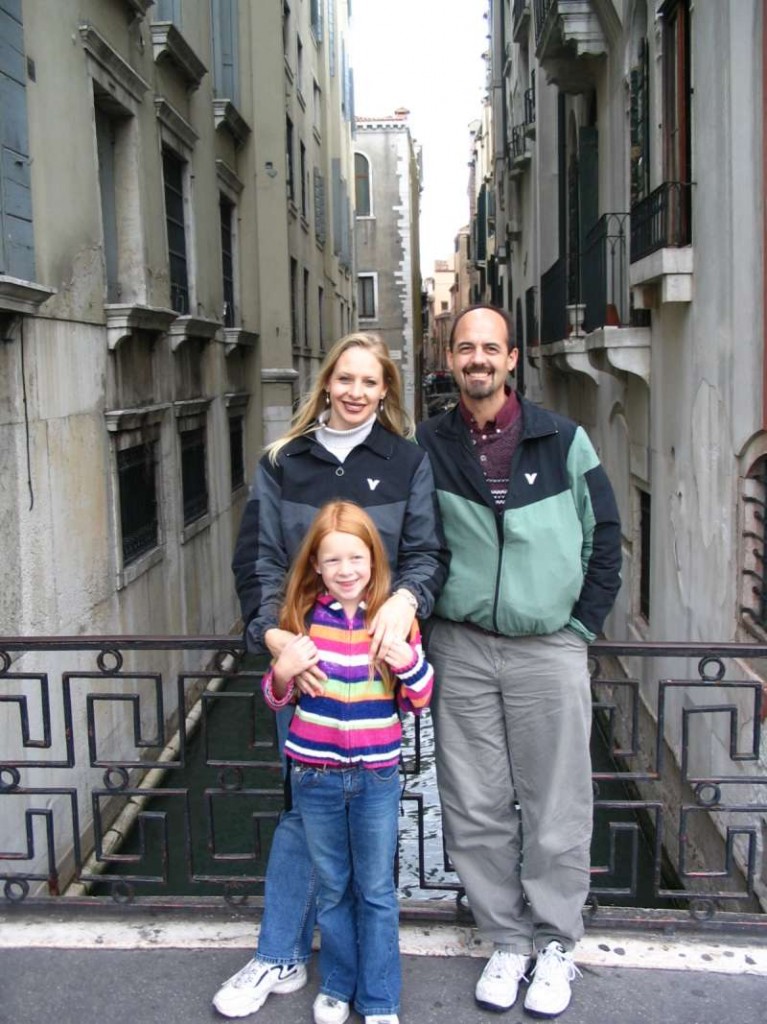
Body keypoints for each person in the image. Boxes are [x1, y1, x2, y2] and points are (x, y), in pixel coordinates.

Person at [213, 333, 448, 1020]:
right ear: (326, 383)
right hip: (306, 667)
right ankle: (278, 953)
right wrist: (275, 636)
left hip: (375, 671)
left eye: (368, 383)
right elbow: (256, 562)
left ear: (385, 392)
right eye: (343, 379)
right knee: (298, 812)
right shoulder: (283, 462)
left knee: (367, 847)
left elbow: (428, 555)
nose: (354, 392)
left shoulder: (406, 461)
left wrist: (404, 602)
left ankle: (354, 982)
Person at [416, 304, 622, 1019]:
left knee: (557, 804)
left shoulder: (562, 439)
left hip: (547, 648)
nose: (476, 359)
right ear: (450, 360)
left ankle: (556, 942)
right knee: (472, 803)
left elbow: (605, 537)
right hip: (462, 645)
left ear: (510, 360)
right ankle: (504, 938)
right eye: (464, 348)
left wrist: (578, 628)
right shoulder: (429, 445)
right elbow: (416, 541)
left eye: (489, 348)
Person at [262, 500, 433, 1024]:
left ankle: (380, 999)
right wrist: (283, 670)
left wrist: (410, 663)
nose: (346, 571)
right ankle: (337, 985)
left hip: (377, 775)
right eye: (332, 560)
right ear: (316, 565)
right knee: (334, 888)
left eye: (356, 558)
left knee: (377, 890)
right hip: (313, 776)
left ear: (374, 560)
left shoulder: (393, 621)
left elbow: (421, 697)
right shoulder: (301, 619)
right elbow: (277, 698)